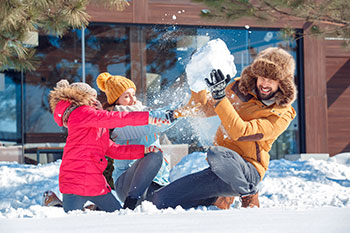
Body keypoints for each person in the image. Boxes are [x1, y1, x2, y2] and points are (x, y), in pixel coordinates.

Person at [151, 47, 297, 209]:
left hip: (248, 171)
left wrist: (220, 97)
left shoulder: (281, 113)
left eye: (272, 79)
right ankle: (216, 200)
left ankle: (249, 194)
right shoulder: (238, 89)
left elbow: (241, 133)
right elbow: (205, 108)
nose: (265, 83)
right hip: (220, 169)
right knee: (161, 200)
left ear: (281, 82)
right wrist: (196, 80)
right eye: (262, 77)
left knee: (217, 154)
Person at [48, 79, 169, 213]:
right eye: (93, 97)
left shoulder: (95, 124)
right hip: (75, 184)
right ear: (82, 99)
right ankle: (57, 205)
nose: (96, 101)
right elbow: (115, 118)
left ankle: (90, 209)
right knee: (70, 223)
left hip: (95, 185)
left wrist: (143, 150)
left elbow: (113, 149)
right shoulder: (80, 113)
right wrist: (147, 118)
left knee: (117, 218)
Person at [96, 72, 177, 210]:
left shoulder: (145, 111)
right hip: (127, 184)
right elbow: (147, 124)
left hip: (155, 182)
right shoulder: (115, 121)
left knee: (180, 196)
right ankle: (131, 204)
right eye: (126, 96)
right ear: (116, 101)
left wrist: (184, 109)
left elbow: (154, 118)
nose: (133, 99)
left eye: (133, 94)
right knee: (154, 154)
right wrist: (177, 113)